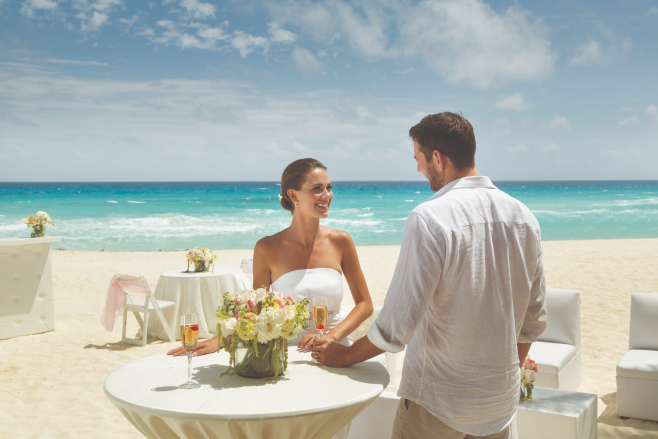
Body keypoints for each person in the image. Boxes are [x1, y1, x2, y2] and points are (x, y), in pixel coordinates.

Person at [314, 112, 547, 439]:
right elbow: (533, 319)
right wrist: (502, 377)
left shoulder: (429, 218)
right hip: (499, 406)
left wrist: (346, 355)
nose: (418, 169)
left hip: (438, 403)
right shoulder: (525, 219)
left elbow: (397, 324)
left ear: (438, 159)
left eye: (419, 160)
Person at [168, 158, 374, 356]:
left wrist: (331, 336)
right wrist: (221, 339)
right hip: (286, 353)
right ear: (293, 195)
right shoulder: (267, 247)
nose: (327, 195)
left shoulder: (341, 241)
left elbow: (365, 304)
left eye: (329, 187)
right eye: (317, 188)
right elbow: (257, 310)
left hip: (333, 349)